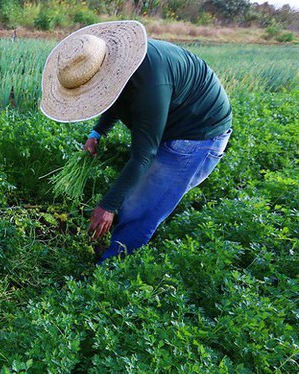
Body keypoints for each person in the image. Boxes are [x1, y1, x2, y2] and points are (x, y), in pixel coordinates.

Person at [40, 20, 232, 263]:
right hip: (173, 117)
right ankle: (119, 244)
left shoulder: (148, 87)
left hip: (197, 135)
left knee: (140, 206)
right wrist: (96, 133)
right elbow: (110, 96)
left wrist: (108, 206)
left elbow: (143, 155)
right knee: (133, 196)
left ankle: (110, 269)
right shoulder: (117, 65)